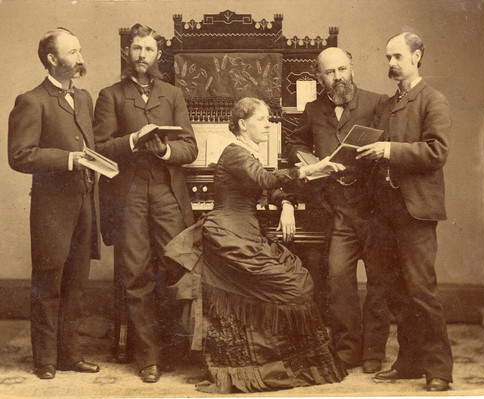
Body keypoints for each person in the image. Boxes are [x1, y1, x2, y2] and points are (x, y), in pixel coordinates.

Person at [165, 97, 348, 393]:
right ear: (242, 124)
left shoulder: (246, 153)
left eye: (268, 119)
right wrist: (311, 169)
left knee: (296, 284)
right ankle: (254, 365)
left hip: (246, 232)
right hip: (229, 235)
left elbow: (266, 187)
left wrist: (285, 203)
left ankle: (266, 361)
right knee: (291, 287)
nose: (269, 124)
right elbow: (262, 178)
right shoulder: (235, 153)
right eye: (262, 120)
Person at [93, 23, 198, 383]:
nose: (142, 56)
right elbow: (100, 148)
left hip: (167, 190)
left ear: (158, 55)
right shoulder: (110, 95)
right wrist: (134, 141)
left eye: (149, 49)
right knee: (136, 274)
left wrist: (167, 149)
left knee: (175, 267)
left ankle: (173, 349)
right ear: (128, 53)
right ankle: (148, 357)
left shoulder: (173, 93)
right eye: (136, 48)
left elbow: (190, 147)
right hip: (130, 191)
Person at [357, 32, 453, 392]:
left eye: (398, 57)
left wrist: (389, 151)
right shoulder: (387, 104)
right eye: (387, 58)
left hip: (416, 211)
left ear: (417, 56)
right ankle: (409, 361)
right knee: (395, 292)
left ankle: (439, 369)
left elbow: (436, 153)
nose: (391, 64)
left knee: (422, 292)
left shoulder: (433, 100)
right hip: (386, 210)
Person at [286, 47, 391, 373]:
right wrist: (313, 162)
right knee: (339, 280)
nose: (337, 77)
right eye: (330, 72)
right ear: (319, 77)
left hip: (374, 208)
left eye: (342, 69)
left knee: (379, 281)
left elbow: (391, 144)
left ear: (352, 68)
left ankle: (374, 352)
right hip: (340, 210)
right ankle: (348, 349)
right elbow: (295, 143)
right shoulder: (313, 109)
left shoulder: (377, 103)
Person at [8, 28, 100, 379]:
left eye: (80, 51)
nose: (80, 59)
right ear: (52, 59)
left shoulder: (85, 97)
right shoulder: (32, 100)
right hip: (52, 211)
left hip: (85, 205)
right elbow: (20, 155)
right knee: (48, 285)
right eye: (73, 52)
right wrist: (68, 160)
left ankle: (69, 355)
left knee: (76, 284)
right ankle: (45, 360)